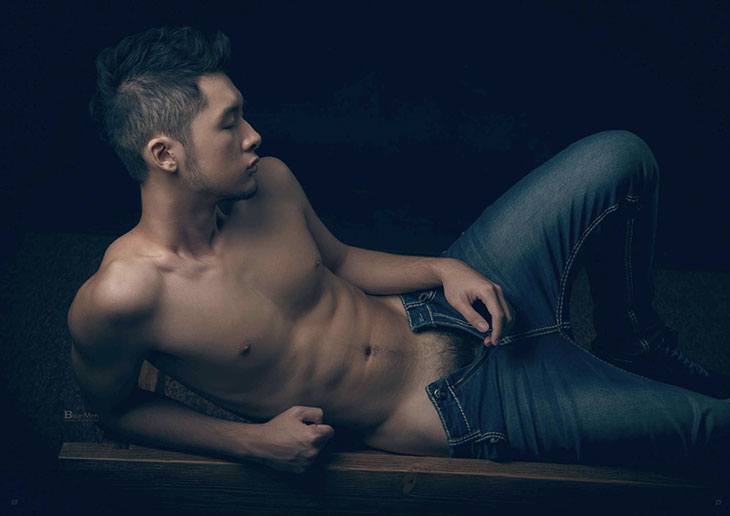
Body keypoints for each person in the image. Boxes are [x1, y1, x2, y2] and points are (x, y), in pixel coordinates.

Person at [68, 26, 730, 478]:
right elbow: (114, 409)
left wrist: (444, 268)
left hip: (440, 304)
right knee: (713, 429)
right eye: (229, 122)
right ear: (165, 154)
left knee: (622, 158)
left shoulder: (268, 182)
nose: (254, 135)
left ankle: (634, 342)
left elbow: (340, 262)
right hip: (461, 405)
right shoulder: (123, 297)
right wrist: (252, 442)